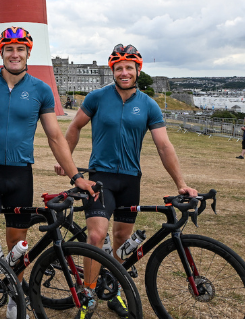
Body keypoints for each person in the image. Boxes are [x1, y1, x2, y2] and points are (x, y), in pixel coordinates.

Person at [0, 26, 97, 319]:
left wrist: (76, 176)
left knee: (17, 245)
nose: (15, 54)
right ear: (1, 52)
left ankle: (13, 296)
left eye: (20, 49)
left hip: (20, 174)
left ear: (28, 53)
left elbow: (56, 137)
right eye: (9, 49)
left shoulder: (40, 90)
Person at [59, 43, 197, 316]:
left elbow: (163, 146)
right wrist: (66, 161)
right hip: (101, 177)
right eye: (119, 68)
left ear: (137, 70)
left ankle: (114, 289)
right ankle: (88, 293)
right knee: (96, 235)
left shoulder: (148, 105)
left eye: (129, 68)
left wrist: (180, 183)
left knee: (122, 239)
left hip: (130, 179)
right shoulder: (97, 97)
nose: (124, 72)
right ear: (113, 70)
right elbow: (74, 126)